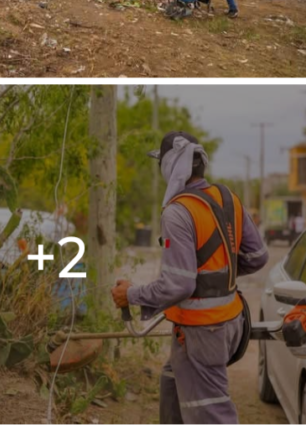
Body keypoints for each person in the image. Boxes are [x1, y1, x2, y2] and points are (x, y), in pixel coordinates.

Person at [111, 131, 268, 425]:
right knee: (172, 383)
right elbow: (257, 256)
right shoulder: (228, 198)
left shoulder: (177, 212)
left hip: (203, 332)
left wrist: (130, 295)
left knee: (211, 414)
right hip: (231, 323)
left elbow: (179, 284)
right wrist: (219, 278)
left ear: (171, 167)